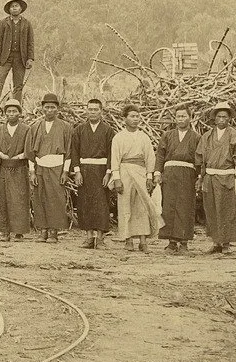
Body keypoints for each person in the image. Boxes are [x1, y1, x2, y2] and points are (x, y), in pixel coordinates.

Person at [196, 102, 236, 253]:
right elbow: (200, 159)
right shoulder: (207, 136)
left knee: (226, 210)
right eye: (219, 117)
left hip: (226, 177)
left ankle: (226, 243)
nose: (222, 120)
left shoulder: (235, 135)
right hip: (209, 177)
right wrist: (200, 178)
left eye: (225, 117)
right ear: (214, 119)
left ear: (229, 119)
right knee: (211, 209)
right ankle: (216, 242)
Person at [109, 105, 157, 252]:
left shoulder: (144, 137)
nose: (135, 119)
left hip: (140, 172)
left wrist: (149, 176)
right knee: (125, 205)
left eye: (137, 116)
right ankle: (128, 240)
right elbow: (115, 159)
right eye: (132, 116)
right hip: (124, 173)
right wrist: (116, 178)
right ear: (124, 119)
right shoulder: (118, 137)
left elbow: (150, 158)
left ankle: (143, 241)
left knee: (142, 206)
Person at [27, 92, 72, 242]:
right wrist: (32, 171)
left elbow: (69, 151)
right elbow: (30, 152)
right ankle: (43, 230)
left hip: (57, 167)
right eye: (47, 107)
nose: (50, 110)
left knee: (56, 199)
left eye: (53, 107)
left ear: (57, 109)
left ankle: (54, 231)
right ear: (42, 108)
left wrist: (65, 171)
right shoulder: (35, 127)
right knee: (40, 199)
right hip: (40, 167)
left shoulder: (65, 127)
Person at [71, 97, 114, 249]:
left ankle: (100, 239)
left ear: (101, 111)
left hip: (101, 170)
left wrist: (108, 173)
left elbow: (111, 153)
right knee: (85, 203)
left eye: (96, 109)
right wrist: (77, 172)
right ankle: (89, 237)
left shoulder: (108, 131)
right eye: (90, 109)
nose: (93, 112)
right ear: (86, 111)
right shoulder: (79, 130)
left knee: (102, 204)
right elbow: (74, 152)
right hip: (85, 170)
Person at [155, 107, 199, 254]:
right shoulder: (167, 135)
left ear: (190, 117)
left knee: (185, 206)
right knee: (169, 206)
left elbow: (200, 159)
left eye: (184, 116)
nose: (181, 119)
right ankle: (172, 242)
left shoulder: (196, 137)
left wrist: (199, 176)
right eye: (178, 116)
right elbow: (160, 154)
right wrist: (157, 172)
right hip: (170, 173)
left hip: (187, 174)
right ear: (175, 119)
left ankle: (184, 242)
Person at [0, 100, 31, 242]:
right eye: (9, 111)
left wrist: (19, 156)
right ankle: (5, 231)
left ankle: (19, 232)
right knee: (4, 200)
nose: (11, 114)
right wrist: (1, 155)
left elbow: (29, 149)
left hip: (19, 168)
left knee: (19, 200)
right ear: (5, 113)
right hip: (4, 168)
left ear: (19, 113)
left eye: (14, 111)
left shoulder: (26, 129)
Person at [0, 0, 34, 109]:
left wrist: (30, 58)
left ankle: (15, 107)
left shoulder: (27, 24)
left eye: (16, 6)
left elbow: (30, 42)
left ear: (21, 8)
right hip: (5, 57)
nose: (14, 8)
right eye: (12, 6)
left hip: (21, 57)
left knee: (18, 85)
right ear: (9, 9)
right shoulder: (3, 23)